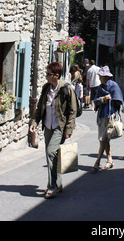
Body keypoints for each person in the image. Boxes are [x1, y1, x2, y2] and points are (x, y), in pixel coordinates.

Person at [29, 62, 77, 199]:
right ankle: (59, 184)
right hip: (48, 126)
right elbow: (40, 108)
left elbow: (72, 111)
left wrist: (68, 129)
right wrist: (34, 122)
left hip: (59, 127)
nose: (46, 76)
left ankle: (52, 186)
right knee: (52, 156)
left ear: (56, 75)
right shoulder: (46, 88)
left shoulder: (67, 89)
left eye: (48, 74)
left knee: (51, 152)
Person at [92, 66, 123, 172]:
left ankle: (97, 162)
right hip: (101, 116)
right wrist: (102, 99)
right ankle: (109, 160)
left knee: (103, 139)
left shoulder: (114, 86)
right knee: (105, 139)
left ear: (105, 76)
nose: (100, 78)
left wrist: (111, 100)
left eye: (101, 76)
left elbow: (118, 100)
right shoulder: (100, 88)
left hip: (110, 116)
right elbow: (96, 101)